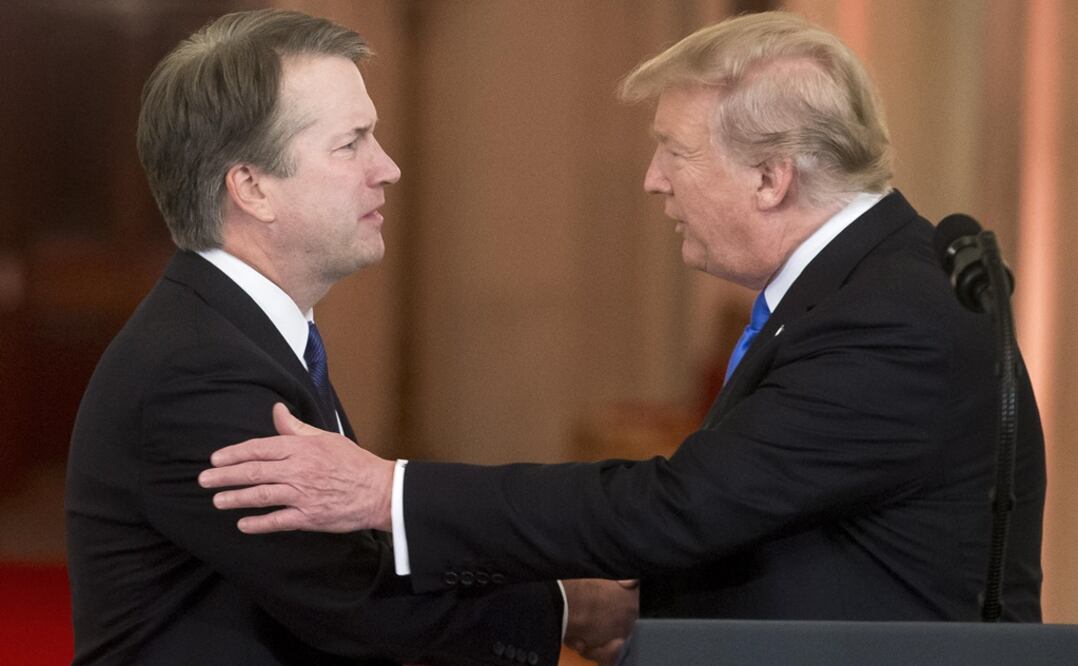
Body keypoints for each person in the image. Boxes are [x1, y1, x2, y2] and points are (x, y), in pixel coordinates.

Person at [200, 10, 1047, 626]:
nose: (651, 180)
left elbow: (681, 508)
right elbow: (763, 516)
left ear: (771, 178)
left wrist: (387, 491)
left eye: (675, 151)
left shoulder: (893, 316)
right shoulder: (863, 286)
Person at [65, 9, 635, 665]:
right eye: (350, 143)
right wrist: (573, 604)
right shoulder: (198, 369)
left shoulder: (242, 337)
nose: (387, 168)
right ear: (251, 187)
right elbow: (358, 598)